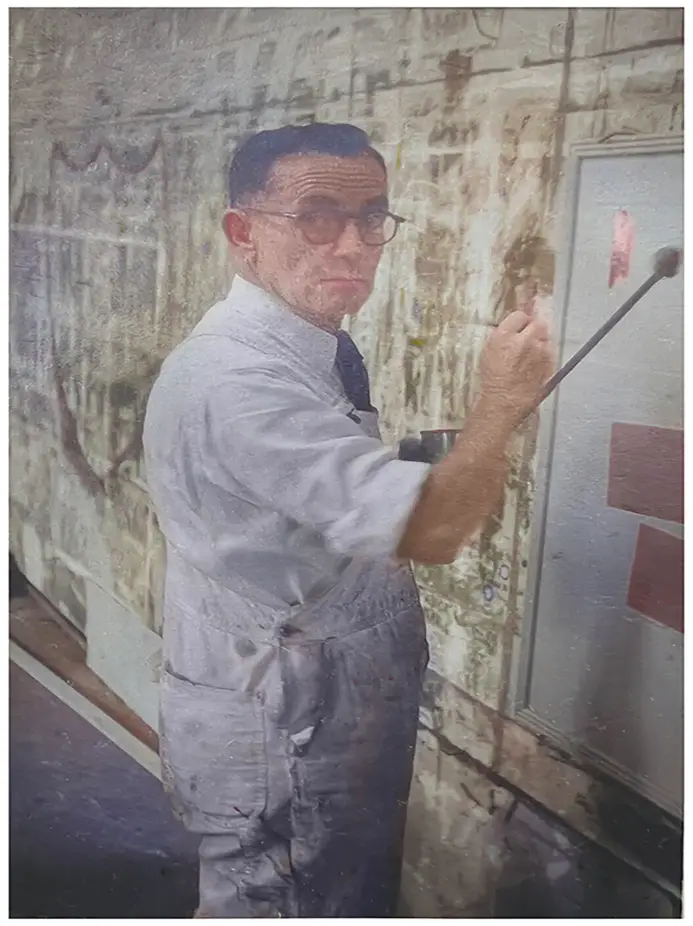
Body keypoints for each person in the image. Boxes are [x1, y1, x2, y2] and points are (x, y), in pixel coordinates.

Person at [143, 122, 554, 918]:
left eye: (370, 217)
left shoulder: (306, 346)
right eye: (316, 216)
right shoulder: (237, 380)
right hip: (286, 732)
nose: (353, 245)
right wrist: (499, 407)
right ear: (242, 233)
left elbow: (322, 483)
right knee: (288, 904)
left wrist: (439, 453)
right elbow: (430, 533)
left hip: (306, 708)